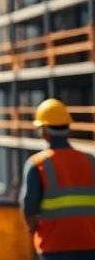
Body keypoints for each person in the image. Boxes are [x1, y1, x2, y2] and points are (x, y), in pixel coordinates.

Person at [20, 98, 95, 259]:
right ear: (68, 128)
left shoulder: (37, 164)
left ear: (44, 131)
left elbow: (29, 208)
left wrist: (33, 231)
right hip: (90, 243)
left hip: (54, 246)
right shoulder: (90, 161)